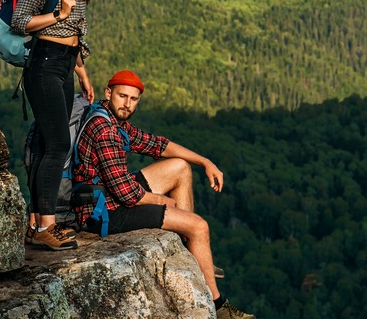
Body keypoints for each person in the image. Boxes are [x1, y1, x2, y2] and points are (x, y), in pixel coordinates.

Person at [73, 70, 255, 319]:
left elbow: (157, 144)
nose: (127, 104)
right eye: (122, 96)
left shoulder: (111, 118)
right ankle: (217, 304)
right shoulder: (105, 130)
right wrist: (163, 202)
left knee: (180, 167)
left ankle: (189, 251)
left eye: (133, 99)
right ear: (108, 93)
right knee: (199, 227)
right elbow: (128, 195)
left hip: (107, 194)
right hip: (102, 212)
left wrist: (205, 162)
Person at [12, 0, 94, 251]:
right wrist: (56, 14)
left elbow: (73, 30)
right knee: (58, 143)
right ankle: (45, 225)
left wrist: (82, 71)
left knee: (51, 144)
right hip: (45, 64)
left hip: (63, 64)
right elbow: (19, 21)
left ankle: (39, 223)